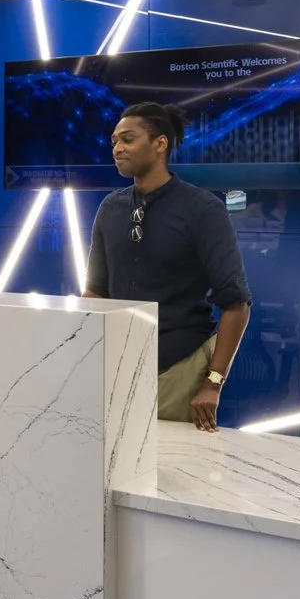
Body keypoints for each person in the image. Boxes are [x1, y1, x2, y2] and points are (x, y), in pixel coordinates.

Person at [85, 102, 251, 433]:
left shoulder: (202, 210)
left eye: (128, 139)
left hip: (179, 369)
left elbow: (236, 304)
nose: (117, 149)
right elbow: (94, 293)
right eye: (114, 141)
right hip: (117, 369)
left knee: (173, 464)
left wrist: (213, 383)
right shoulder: (111, 207)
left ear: (160, 144)